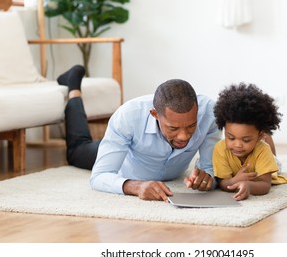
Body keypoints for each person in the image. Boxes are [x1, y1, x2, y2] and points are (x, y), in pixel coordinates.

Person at [57, 65, 222, 202]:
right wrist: (135, 187)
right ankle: (73, 88)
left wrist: (208, 178)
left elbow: (210, 168)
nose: (184, 136)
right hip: (124, 157)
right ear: (154, 114)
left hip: (129, 141)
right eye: (173, 128)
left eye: (191, 126)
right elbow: (99, 177)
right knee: (77, 149)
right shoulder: (127, 116)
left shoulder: (209, 114)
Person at [212, 82, 287, 201]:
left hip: (265, 157)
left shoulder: (263, 149)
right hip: (256, 142)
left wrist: (249, 186)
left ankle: (265, 133)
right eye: (231, 138)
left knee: (275, 161)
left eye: (246, 140)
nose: (237, 145)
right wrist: (234, 181)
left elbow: (265, 185)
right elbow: (222, 183)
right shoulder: (220, 149)